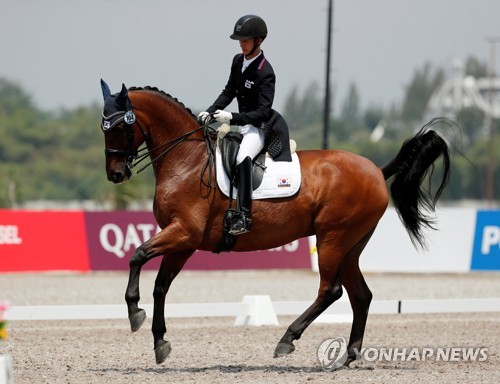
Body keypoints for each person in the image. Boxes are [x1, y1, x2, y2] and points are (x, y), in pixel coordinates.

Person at [199, 14, 292, 235]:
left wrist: (232, 118)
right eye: (240, 40)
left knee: (242, 158)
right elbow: (229, 91)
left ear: (258, 41)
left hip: (261, 127)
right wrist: (210, 111)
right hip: (242, 124)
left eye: (246, 40)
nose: (241, 43)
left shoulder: (265, 72)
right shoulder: (237, 61)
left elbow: (262, 112)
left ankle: (244, 215)